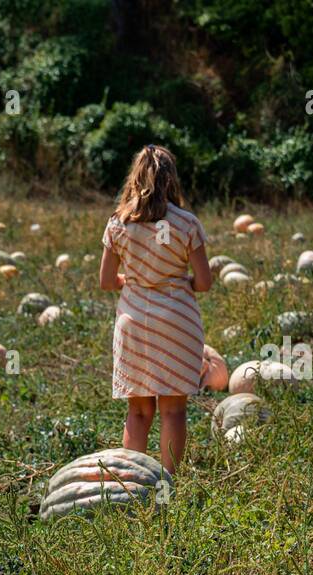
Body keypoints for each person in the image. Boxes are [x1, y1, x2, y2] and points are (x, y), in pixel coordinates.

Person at [99, 144, 212, 473]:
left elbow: (106, 281)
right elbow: (203, 282)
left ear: (135, 177)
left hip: (134, 323)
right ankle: (168, 488)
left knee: (138, 412)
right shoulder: (187, 223)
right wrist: (176, 283)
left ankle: (131, 484)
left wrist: (132, 281)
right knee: (174, 411)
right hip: (177, 322)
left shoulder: (119, 223)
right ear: (170, 179)